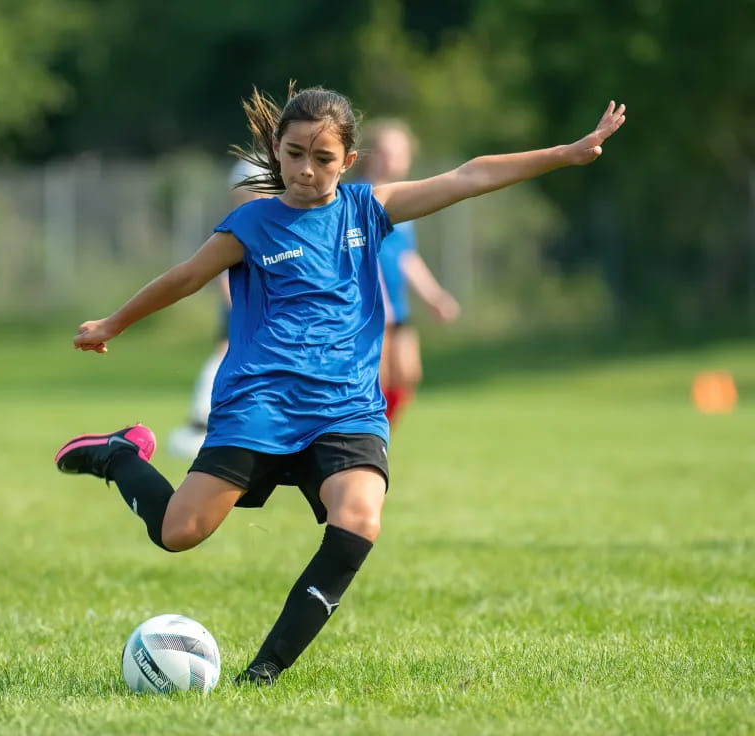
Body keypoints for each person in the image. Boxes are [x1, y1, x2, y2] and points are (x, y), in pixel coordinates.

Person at [54, 84, 626, 686]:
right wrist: (113, 322)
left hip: (345, 408)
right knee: (179, 533)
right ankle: (120, 455)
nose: (306, 170)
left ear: (348, 162)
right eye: (295, 153)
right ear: (276, 150)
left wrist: (565, 153)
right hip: (261, 404)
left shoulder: (366, 210)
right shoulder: (250, 225)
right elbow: (185, 278)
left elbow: (468, 177)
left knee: (359, 519)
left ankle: (264, 674)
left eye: (323, 158)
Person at [361, 119, 461, 426]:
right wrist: (380, 302)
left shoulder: (404, 202)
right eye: (386, 151)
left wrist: (434, 296)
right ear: (371, 154)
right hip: (368, 308)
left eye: (401, 152)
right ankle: (363, 444)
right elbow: (362, 255)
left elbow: (405, 256)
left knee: (407, 375)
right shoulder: (362, 197)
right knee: (374, 381)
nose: (394, 158)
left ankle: (380, 439)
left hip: (397, 306)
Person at [167, 159, 267, 459]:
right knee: (225, 356)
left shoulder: (263, 221)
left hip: (259, 312)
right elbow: (223, 276)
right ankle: (202, 420)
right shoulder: (241, 225)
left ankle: (231, 421)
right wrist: (238, 307)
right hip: (246, 312)